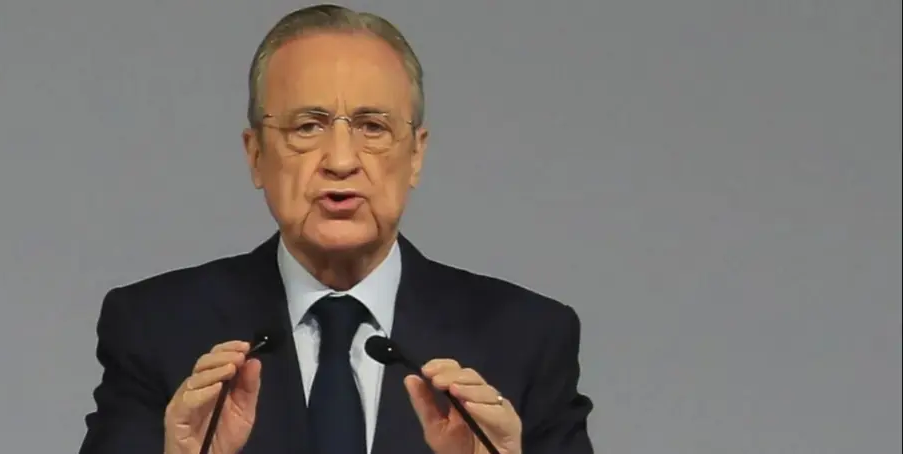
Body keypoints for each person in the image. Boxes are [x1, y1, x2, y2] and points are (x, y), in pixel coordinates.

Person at [78, 4, 593, 454]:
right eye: (308, 127)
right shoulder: (155, 330)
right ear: (256, 155)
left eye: (373, 127)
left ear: (416, 155)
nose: (341, 161)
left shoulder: (527, 340)